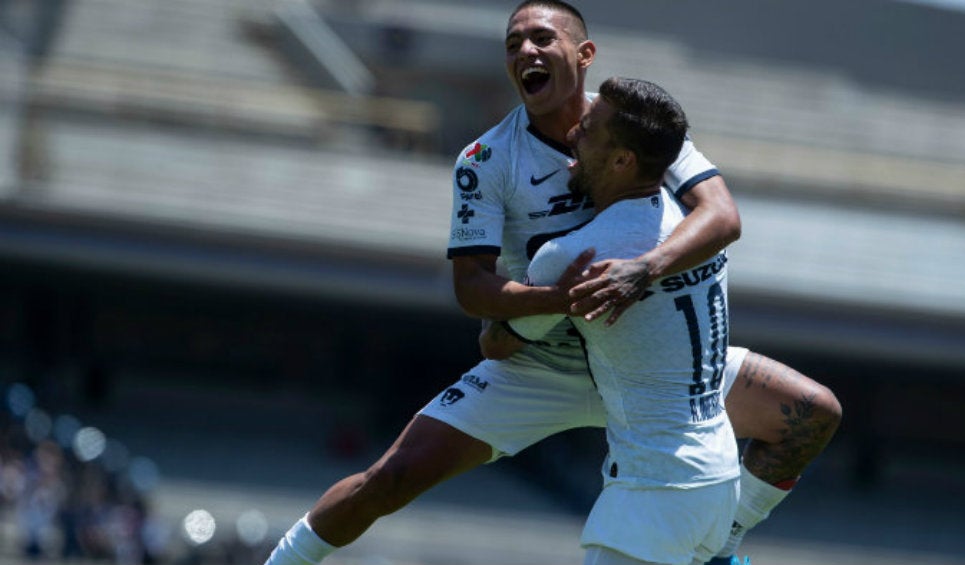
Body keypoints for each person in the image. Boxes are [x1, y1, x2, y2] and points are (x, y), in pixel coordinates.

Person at [264, 2, 841, 564]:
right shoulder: (486, 159)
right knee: (393, 476)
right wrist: (562, 300)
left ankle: (721, 547)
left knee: (812, 413)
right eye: (513, 45)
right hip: (543, 362)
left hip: (648, 364)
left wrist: (642, 271)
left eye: (542, 39)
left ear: (584, 53)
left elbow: (723, 216)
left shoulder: (635, 124)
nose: (525, 52)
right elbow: (472, 288)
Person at [494, 75, 741, 565]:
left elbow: (497, 347)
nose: (572, 135)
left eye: (587, 130)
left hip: (657, 486)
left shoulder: (574, 256)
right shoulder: (689, 224)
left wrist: (515, 276)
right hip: (718, 474)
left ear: (623, 160)